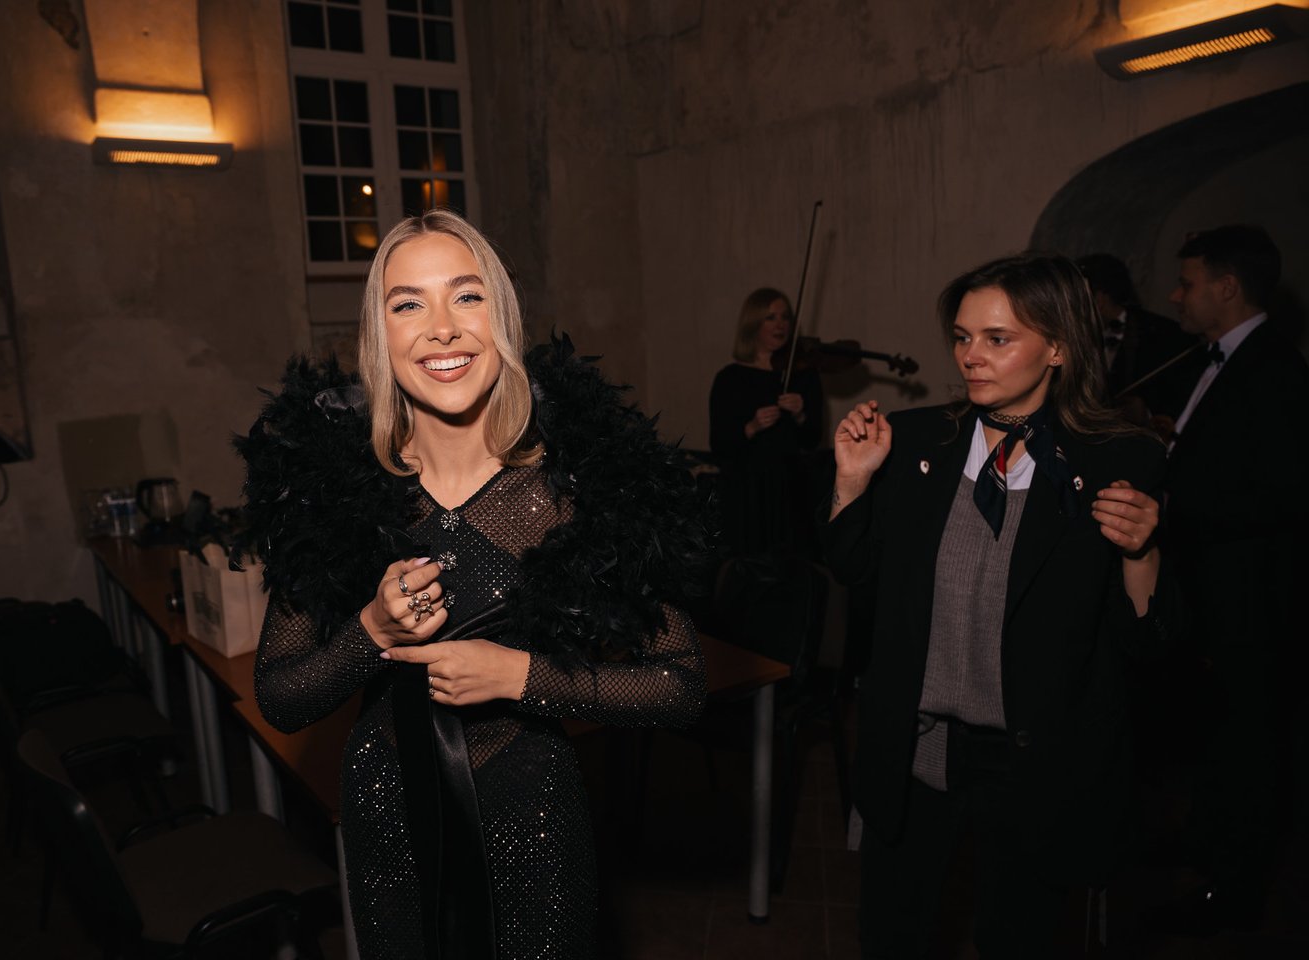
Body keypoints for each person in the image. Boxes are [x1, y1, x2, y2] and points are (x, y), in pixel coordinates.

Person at [235, 210, 708, 959]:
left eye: (467, 295)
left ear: (502, 318)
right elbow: (281, 698)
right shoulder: (332, 490)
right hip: (386, 817)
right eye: (408, 304)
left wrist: (521, 676)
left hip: (535, 818)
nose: (442, 329)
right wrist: (371, 631)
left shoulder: (581, 486)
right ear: (381, 337)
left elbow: (680, 687)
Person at [820, 253, 1169, 957]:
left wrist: (1142, 551)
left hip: (1036, 762)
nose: (970, 356)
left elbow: (1147, 645)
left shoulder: (1117, 457)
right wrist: (851, 483)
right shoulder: (918, 440)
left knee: (1018, 938)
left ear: (1059, 347)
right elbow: (855, 572)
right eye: (962, 337)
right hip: (919, 748)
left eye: (997, 338)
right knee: (894, 935)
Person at [1150, 224, 1309, 934]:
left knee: (1249, 745)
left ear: (1227, 287)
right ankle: (1204, 843)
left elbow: (1279, 493)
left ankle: (1234, 894)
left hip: (1250, 599)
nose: (1174, 296)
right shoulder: (1217, 358)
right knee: (1216, 733)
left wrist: (1170, 502)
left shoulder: (1275, 369)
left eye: (1187, 283)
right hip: (1212, 592)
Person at [708, 288, 824, 558]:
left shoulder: (804, 375)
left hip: (792, 489)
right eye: (770, 317)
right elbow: (720, 445)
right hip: (748, 491)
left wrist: (801, 415)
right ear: (753, 324)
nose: (780, 325)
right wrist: (751, 427)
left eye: (785, 317)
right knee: (749, 564)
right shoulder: (730, 378)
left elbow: (812, 439)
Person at [1075, 252, 1199, 427]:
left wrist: (1146, 414)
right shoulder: (1073, 336)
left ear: (1100, 299)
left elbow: (1180, 398)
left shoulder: (1165, 336)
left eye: (1075, 300)